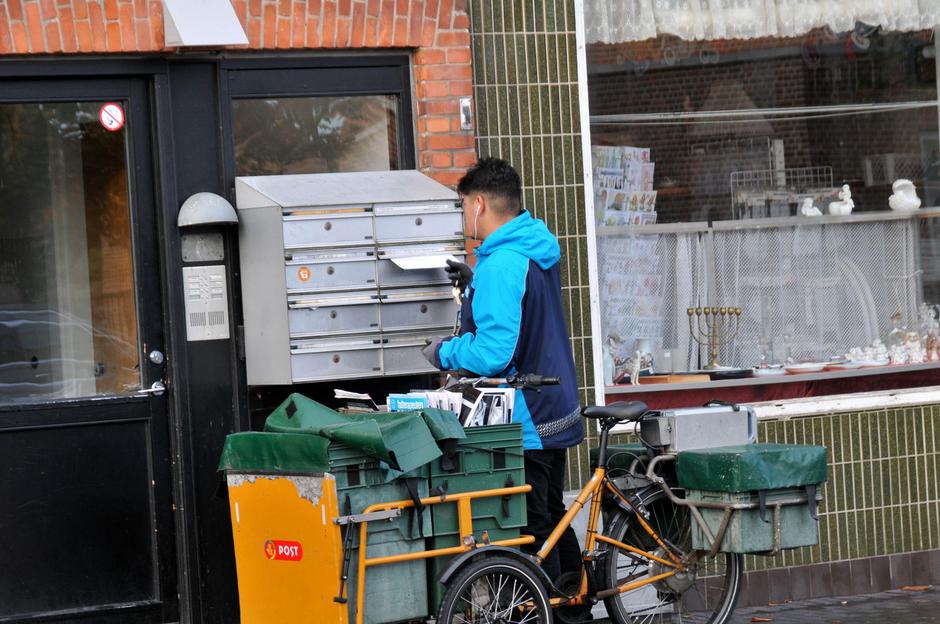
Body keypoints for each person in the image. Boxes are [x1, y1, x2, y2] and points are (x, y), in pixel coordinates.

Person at [422, 157, 584, 582]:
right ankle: (574, 607)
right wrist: (477, 280)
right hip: (556, 402)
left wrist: (444, 352)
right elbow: (523, 311)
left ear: (478, 205)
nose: (463, 217)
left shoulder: (502, 264)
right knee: (552, 513)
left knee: (531, 529)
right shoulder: (533, 247)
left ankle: (549, 609)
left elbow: (494, 353)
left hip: (527, 414)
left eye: (462, 208)